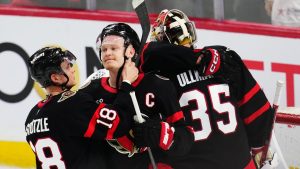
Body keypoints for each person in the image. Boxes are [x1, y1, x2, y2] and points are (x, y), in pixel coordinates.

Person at [136, 9, 276, 169]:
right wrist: (260, 147)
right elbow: (257, 109)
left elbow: (145, 54)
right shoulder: (223, 58)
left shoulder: (156, 76)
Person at [79, 23, 194, 169]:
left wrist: (162, 133)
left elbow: (186, 140)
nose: (107, 53)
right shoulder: (90, 91)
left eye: (114, 48)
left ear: (131, 52)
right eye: (104, 49)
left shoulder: (158, 85)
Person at [25, 45, 138, 169]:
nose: (72, 69)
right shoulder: (73, 103)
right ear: (55, 78)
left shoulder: (31, 117)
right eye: (67, 67)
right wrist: (126, 83)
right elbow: (119, 124)